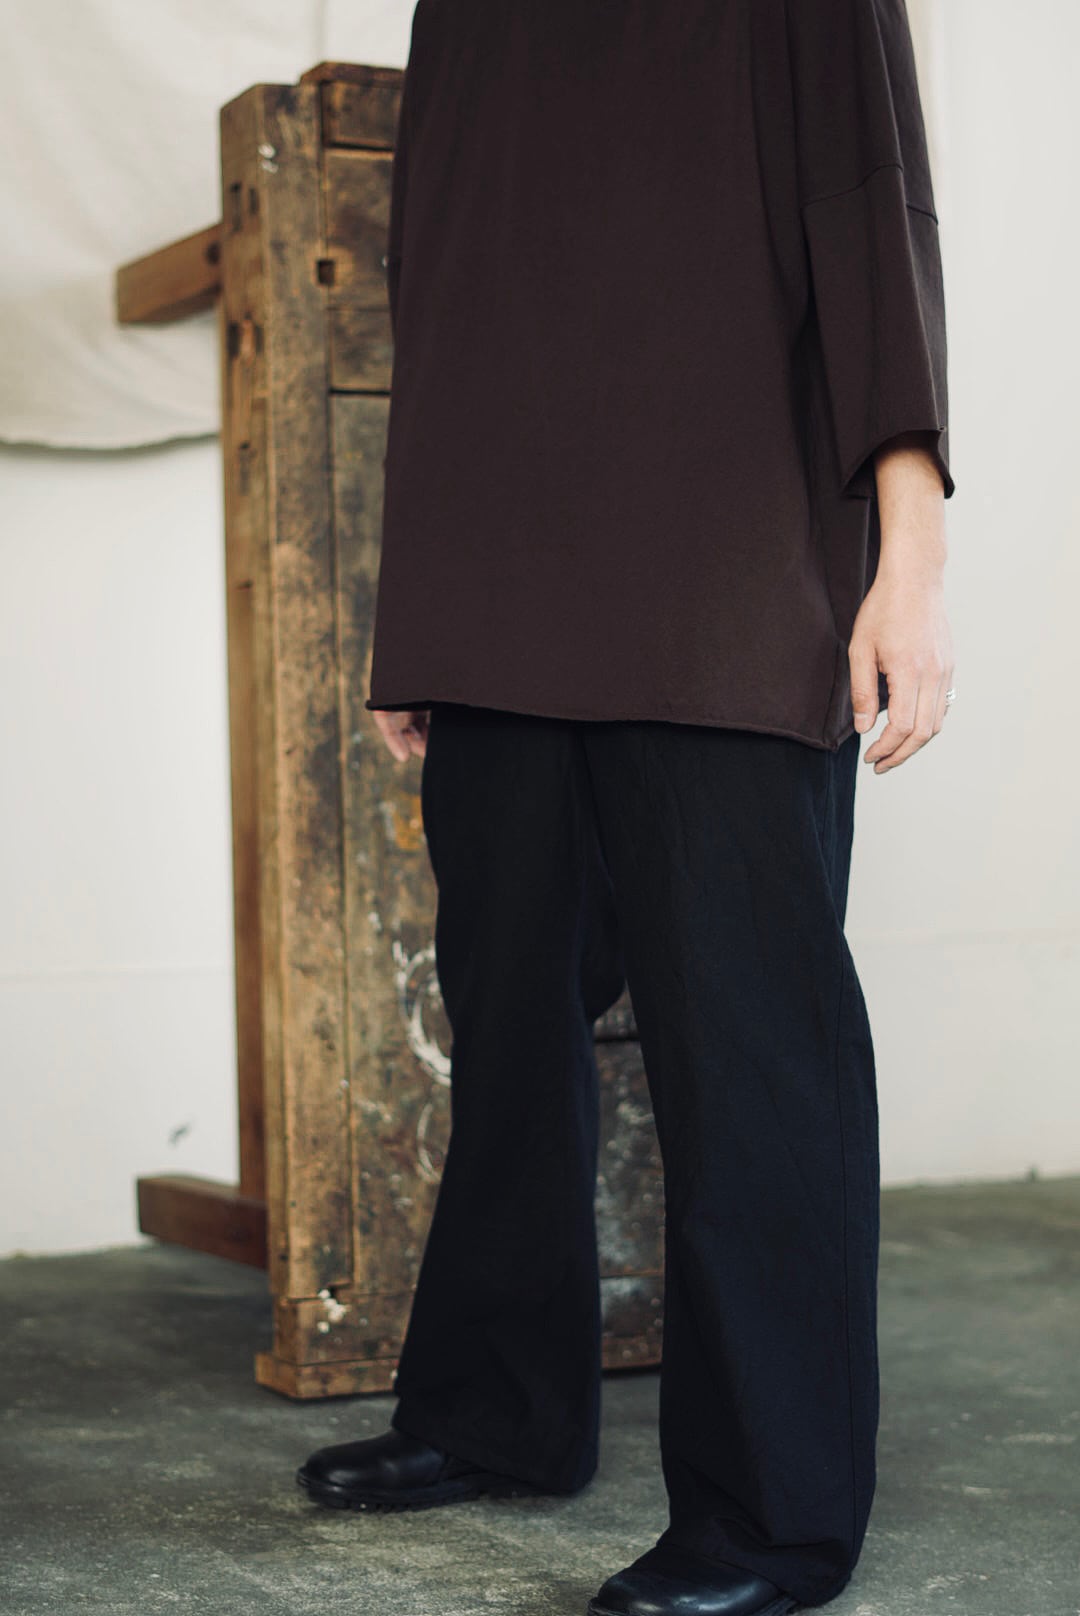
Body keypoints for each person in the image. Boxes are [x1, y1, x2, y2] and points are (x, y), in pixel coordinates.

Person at [298, 1, 957, 1611]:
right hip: (500, 574)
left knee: (749, 1045)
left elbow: (875, 214)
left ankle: (772, 1518)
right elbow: (441, 277)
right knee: (510, 1017)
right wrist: (420, 606)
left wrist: (911, 563)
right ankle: (498, 1411)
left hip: (731, 559)